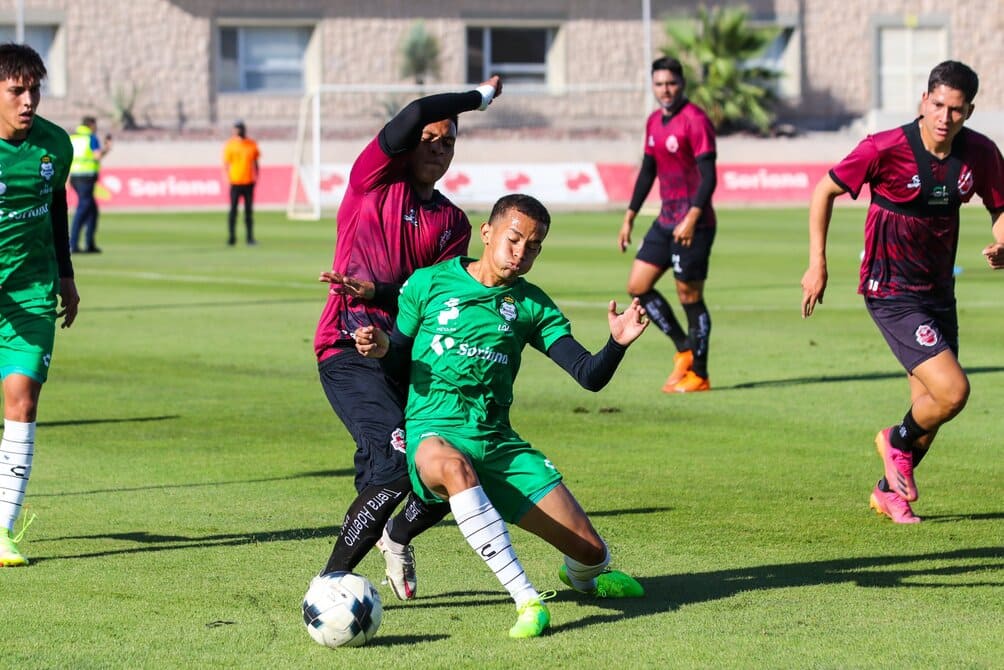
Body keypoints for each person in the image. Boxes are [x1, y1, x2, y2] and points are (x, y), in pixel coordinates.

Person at [354, 194, 648, 638]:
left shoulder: (532, 306)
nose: (520, 253)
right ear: (487, 233)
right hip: (435, 431)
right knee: (452, 467)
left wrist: (617, 344)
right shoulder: (428, 284)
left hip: (498, 442)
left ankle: (583, 577)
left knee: (591, 551)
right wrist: (381, 351)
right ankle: (526, 599)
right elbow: (397, 358)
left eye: (533, 246)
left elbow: (588, 376)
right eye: (513, 239)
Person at [313, 77, 502, 599]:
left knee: (452, 460)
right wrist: (477, 98)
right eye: (429, 137)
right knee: (397, 462)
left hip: (408, 354)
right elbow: (419, 108)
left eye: (448, 143)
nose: (437, 149)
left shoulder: (451, 222)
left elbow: (436, 298)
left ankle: (396, 536)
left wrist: (380, 288)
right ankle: (331, 584)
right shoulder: (371, 180)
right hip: (348, 348)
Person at [801, 60, 1004, 524]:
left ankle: (885, 492)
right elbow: (823, 192)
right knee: (953, 391)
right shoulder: (886, 147)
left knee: (929, 411)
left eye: (955, 109)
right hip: (890, 288)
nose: (944, 117)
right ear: (924, 100)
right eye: (937, 104)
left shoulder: (980, 154)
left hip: (938, 291)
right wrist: (818, 263)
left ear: (969, 111)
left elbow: (1000, 206)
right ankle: (893, 441)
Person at [0, 43, 80, 567]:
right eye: (16, 91)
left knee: (23, 402)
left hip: (31, 288)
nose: (29, 101)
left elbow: (54, 211)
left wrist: (67, 275)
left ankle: (2, 529)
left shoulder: (56, 145)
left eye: (35, 90)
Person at [618, 56, 718, 393]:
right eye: (659, 84)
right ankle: (683, 349)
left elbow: (709, 177)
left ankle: (700, 374)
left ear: (682, 84)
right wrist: (630, 215)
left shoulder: (696, 121)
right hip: (665, 220)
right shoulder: (653, 122)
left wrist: (692, 218)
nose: (665, 90)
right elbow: (648, 171)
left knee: (689, 296)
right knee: (637, 286)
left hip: (695, 224)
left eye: (671, 83)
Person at [69, 115, 111, 254]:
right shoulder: (91, 138)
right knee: (83, 209)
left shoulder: (73, 137)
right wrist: (106, 148)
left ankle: (89, 244)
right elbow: (97, 156)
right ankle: (73, 243)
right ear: (91, 125)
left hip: (75, 176)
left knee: (92, 210)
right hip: (86, 177)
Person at [222, 120, 259, 246]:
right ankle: (232, 238)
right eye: (235, 129)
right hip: (235, 182)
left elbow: (255, 162)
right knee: (233, 211)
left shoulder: (251, 144)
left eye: (238, 129)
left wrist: (256, 177)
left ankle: (250, 238)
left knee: (248, 212)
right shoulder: (230, 145)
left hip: (248, 182)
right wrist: (227, 179)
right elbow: (226, 164)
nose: (236, 132)